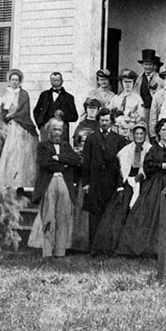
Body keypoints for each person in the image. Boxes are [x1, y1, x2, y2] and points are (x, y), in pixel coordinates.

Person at [116, 118, 166, 256]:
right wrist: (162, 165)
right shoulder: (154, 149)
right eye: (162, 130)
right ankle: (151, 249)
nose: (165, 132)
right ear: (158, 132)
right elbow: (147, 167)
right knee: (149, 214)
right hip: (155, 185)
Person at [94, 121, 152, 254]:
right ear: (133, 135)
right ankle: (115, 247)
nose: (138, 136)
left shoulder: (150, 149)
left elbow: (150, 168)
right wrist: (120, 187)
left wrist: (140, 177)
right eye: (136, 133)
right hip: (127, 182)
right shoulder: (125, 151)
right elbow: (120, 171)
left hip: (142, 183)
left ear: (145, 135)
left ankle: (134, 247)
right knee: (120, 210)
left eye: (141, 134)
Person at [28, 118, 81, 257]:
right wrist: (64, 165)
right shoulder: (42, 146)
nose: (57, 132)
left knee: (63, 217)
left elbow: (75, 160)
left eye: (59, 129)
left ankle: (60, 252)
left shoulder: (66, 146)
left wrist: (58, 157)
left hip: (65, 183)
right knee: (48, 217)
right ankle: (47, 252)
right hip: (49, 182)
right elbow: (45, 163)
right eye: (54, 129)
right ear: (49, 130)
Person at [81, 108, 127, 250]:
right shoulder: (91, 138)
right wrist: (86, 183)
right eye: (102, 120)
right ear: (98, 122)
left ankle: (109, 247)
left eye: (107, 120)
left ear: (111, 122)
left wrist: (120, 185)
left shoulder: (119, 139)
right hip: (95, 182)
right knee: (95, 215)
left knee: (110, 215)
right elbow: (86, 162)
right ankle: (94, 247)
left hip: (111, 183)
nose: (104, 123)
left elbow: (122, 165)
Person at [0, 68, 39, 189]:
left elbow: (24, 111)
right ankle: (8, 182)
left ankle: (19, 184)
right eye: (12, 80)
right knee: (7, 153)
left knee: (19, 154)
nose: (14, 82)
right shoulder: (7, 93)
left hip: (20, 126)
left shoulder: (23, 94)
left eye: (16, 80)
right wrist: (2, 120)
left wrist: (13, 115)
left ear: (20, 82)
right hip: (8, 125)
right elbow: (3, 110)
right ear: (9, 81)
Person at [33, 72, 78, 143]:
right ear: (51, 81)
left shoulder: (69, 97)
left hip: (61, 130)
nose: (56, 82)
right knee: (46, 150)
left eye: (58, 80)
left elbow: (74, 117)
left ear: (62, 81)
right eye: (53, 80)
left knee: (61, 151)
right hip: (46, 130)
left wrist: (63, 115)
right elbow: (36, 111)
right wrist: (40, 125)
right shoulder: (44, 95)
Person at [70, 127, 94, 252]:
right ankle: (78, 243)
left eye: (87, 141)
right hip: (80, 185)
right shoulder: (76, 153)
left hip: (91, 184)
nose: (84, 144)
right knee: (78, 214)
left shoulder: (94, 152)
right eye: (82, 141)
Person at [134, 49, 164, 124]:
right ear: (142, 65)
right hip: (142, 110)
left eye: (150, 64)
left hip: (155, 110)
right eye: (146, 64)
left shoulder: (160, 79)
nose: (148, 67)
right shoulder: (139, 79)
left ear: (154, 66)